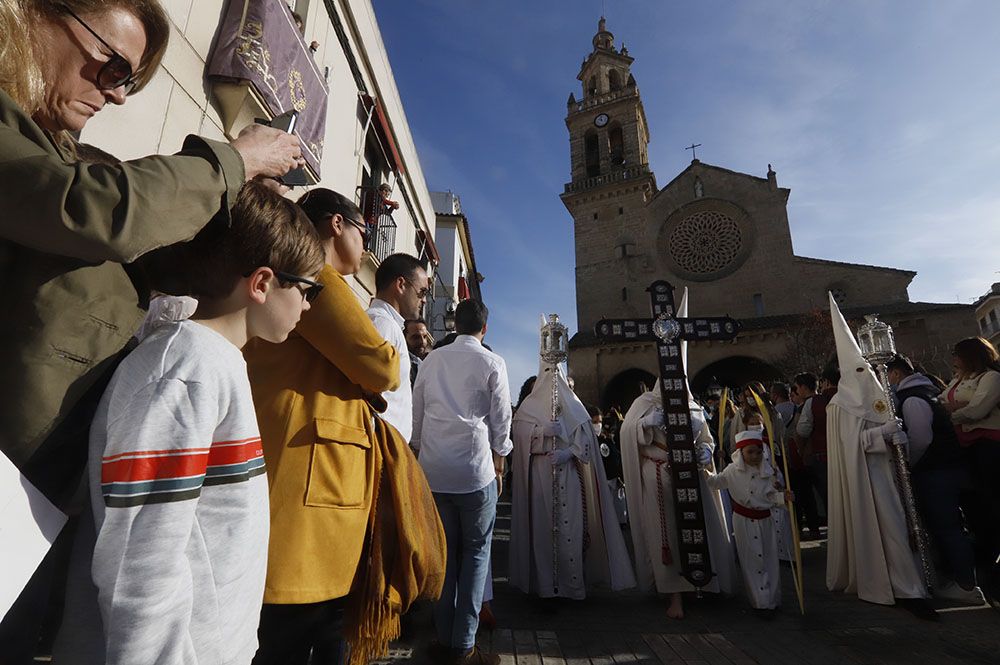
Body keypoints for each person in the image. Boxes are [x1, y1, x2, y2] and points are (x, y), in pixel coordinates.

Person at [0, 1, 304, 656]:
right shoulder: (31, 156)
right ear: (31, 16)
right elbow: (98, 213)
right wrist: (231, 163)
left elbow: (134, 238)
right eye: (111, 65)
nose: (115, 93)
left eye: (130, 81)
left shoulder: (60, 152)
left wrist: (243, 212)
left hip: (34, 512)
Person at [59, 181, 324, 664]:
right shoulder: (188, 369)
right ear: (262, 283)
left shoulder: (208, 361)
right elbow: (142, 567)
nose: (309, 305)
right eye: (308, 288)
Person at [245, 189, 445, 665]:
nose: (366, 240)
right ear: (337, 225)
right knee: (301, 633)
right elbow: (381, 365)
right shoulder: (320, 276)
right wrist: (386, 361)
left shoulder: (318, 278)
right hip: (313, 476)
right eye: (365, 229)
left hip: (311, 469)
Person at [412, 300, 512, 665]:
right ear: (484, 329)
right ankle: (464, 645)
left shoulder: (431, 361)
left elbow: (417, 415)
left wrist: (420, 453)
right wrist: (501, 463)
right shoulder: (492, 362)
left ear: (455, 326)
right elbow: (501, 424)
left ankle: (443, 635)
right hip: (475, 472)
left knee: (445, 556)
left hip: (434, 472)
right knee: (475, 557)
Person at [825, 295, 931, 614]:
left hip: (889, 473)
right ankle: (907, 588)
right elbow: (849, 446)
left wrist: (897, 438)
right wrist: (880, 434)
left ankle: (912, 583)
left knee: (902, 527)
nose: (864, 375)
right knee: (893, 529)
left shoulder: (879, 394)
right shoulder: (839, 406)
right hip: (866, 478)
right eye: (858, 369)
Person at [509, 349, 635, 601]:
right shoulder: (528, 407)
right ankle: (547, 588)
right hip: (540, 475)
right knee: (543, 533)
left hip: (568, 473)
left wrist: (569, 453)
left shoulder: (573, 407)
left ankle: (573, 586)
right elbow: (519, 438)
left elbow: (586, 439)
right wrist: (540, 432)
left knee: (572, 530)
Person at [619, 388, 738, 619]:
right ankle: (674, 592)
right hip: (657, 472)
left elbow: (705, 437)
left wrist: (705, 451)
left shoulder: (692, 403)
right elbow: (626, 433)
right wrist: (644, 423)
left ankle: (700, 582)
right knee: (668, 534)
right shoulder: (644, 402)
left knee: (695, 530)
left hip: (691, 474)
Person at [887, 355, 984, 605]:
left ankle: (965, 585)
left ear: (896, 374)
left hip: (936, 472)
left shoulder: (913, 400)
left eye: (887, 376)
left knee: (948, 529)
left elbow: (921, 439)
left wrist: (909, 465)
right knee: (953, 528)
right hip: (951, 468)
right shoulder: (929, 390)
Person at [702, 430, 791, 613]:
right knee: (750, 560)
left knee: (769, 558)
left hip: (765, 520)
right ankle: (759, 601)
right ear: (741, 452)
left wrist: (784, 497)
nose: (755, 456)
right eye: (750, 452)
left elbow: (774, 496)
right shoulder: (732, 470)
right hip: (742, 520)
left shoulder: (769, 471)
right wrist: (705, 471)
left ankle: (771, 599)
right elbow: (716, 483)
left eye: (758, 452)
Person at [942, 337, 1000, 592]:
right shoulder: (958, 380)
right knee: (976, 504)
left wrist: (954, 412)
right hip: (965, 446)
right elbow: (940, 401)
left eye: (957, 353)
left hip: (988, 446)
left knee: (991, 499)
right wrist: (960, 407)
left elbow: (978, 409)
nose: (953, 358)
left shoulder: (990, 378)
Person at [366, 253, 427, 441]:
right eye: (422, 292)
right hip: (383, 446)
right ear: (401, 285)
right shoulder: (383, 324)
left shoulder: (386, 324)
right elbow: (373, 394)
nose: (424, 300)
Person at [793, 372, 830, 512]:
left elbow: (801, 432)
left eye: (796, 387)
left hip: (817, 454)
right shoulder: (828, 399)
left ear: (803, 387)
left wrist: (801, 451)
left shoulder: (809, 404)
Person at [404, 318, 431, 386]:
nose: (422, 342)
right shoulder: (402, 363)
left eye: (425, 337)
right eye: (416, 337)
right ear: (404, 337)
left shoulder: (430, 362)